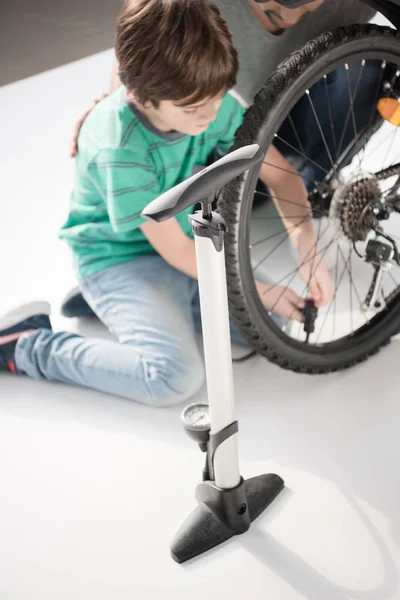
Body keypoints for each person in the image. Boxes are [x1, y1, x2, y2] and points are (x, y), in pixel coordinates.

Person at [0, 0, 331, 406]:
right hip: (117, 256)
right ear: (138, 94)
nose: (212, 116)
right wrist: (256, 290)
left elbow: (280, 175)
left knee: (271, 323)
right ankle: (26, 344)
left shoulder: (211, 100)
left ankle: (120, 306)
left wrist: (308, 250)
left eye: (219, 97)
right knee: (174, 378)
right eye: (194, 108)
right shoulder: (119, 147)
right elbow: (176, 250)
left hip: (174, 242)